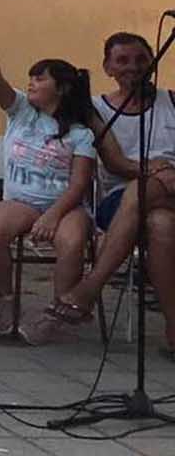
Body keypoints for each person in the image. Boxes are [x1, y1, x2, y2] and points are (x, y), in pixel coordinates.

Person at [0, 23, 98, 344]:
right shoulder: (22, 110)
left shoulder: (80, 134)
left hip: (65, 205)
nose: (31, 83)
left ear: (62, 88)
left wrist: (53, 215)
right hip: (22, 201)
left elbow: (79, 184)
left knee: (72, 242)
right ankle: (8, 301)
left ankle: (57, 311)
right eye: (31, 77)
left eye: (40, 78)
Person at [33, 32, 175, 354]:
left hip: (172, 187)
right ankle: (173, 330)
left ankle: (90, 287)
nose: (133, 67)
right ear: (108, 68)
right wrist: (153, 171)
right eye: (122, 61)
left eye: (141, 60)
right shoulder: (96, 109)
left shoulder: (171, 102)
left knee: (151, 200)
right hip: (122, 198)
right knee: (161, 224)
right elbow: (115, 162)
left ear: (153, 63)